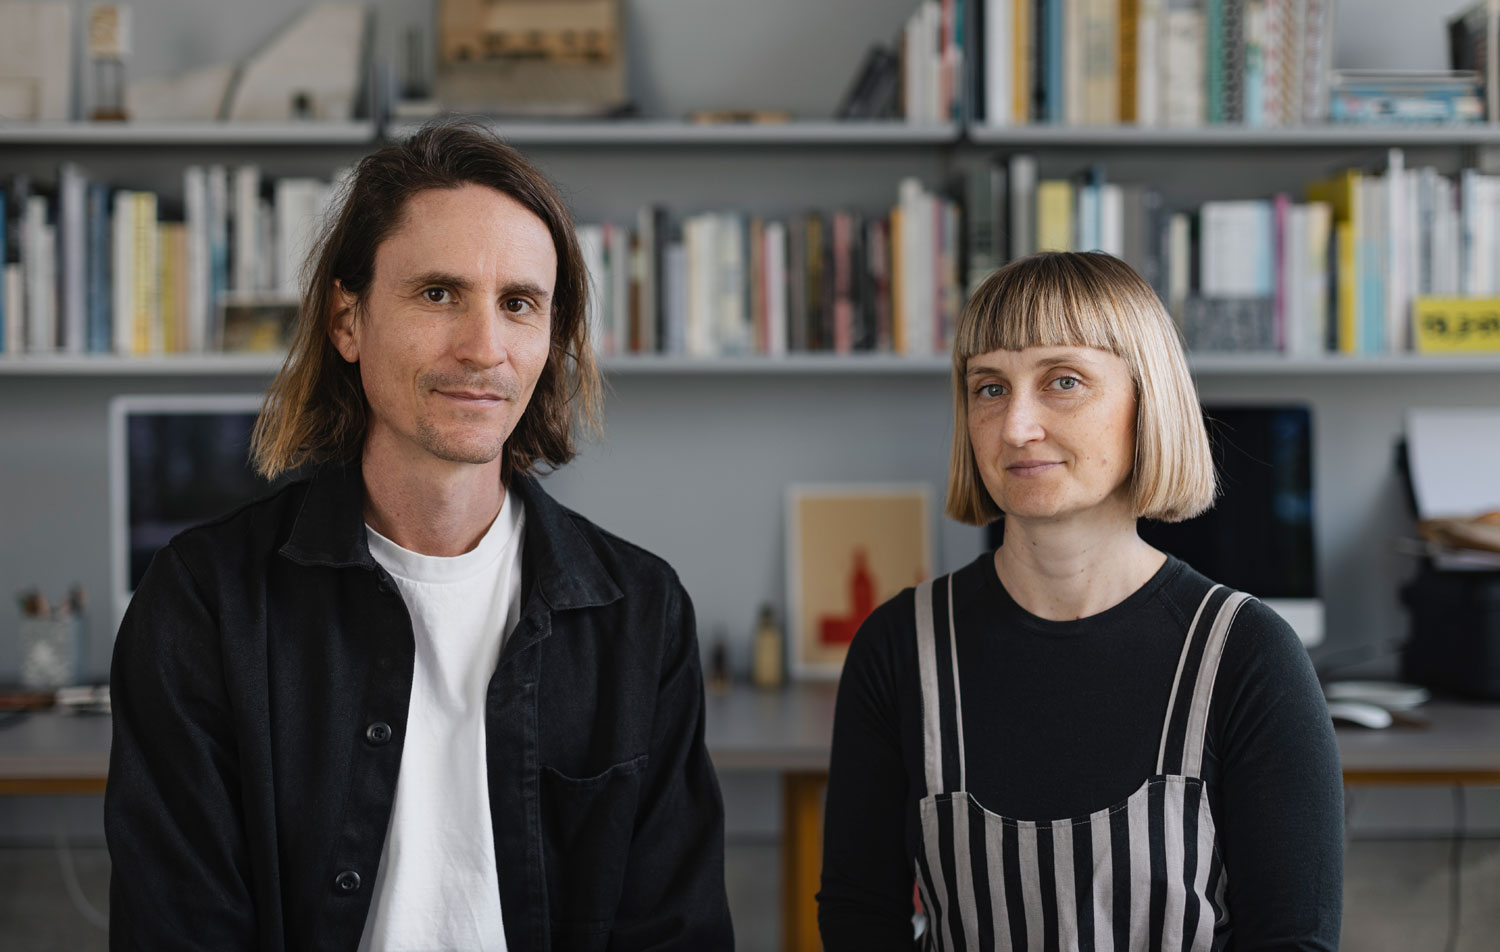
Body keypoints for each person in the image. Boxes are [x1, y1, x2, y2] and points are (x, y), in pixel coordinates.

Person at [106, 121, 734, 951]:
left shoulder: (641, 614)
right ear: (347, 320)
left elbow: (675, 933)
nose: (483, 349)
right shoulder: (203, 604)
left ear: (549, 339)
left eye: (518, 304)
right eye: (439, 294)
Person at [818, 251, 1343, 951]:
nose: (1015, 427)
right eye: (989, 388)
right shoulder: (897, 648)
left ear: (1147, 402)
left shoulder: (1247, 654)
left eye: (1063, 381)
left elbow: (1293, 940)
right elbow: (858, 916)